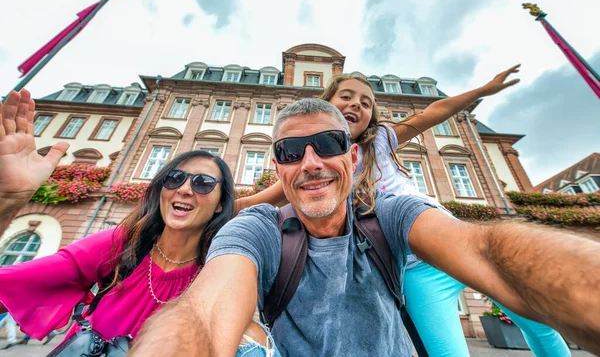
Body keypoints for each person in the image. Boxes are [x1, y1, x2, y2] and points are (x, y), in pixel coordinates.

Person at [129, 98, 600, 356]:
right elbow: (207, 313)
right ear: (278, 167)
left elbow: (487, 251)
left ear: (353, 156)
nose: (310, 163)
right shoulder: (258, 228)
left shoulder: (389, 215)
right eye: (292, 152)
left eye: (327, 144)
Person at [236, 69, 571, 355]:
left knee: (538, 320)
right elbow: (256, 201)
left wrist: (483, 89)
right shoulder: (310, 167)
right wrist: (204, 205)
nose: (356, 104)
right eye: (347, 96)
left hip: (449, 239)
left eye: (366, 102)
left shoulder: (381, 138)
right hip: (414, 268)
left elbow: (432, 113)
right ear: (326, 104)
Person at [0, 89, 278, 357]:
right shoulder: (121, 244)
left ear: (220, 203)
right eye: (175, 178)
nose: (184, 189)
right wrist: (7, 200)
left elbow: (280, 191)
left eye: (203, 183)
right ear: (161, 189)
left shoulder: (222, 266)